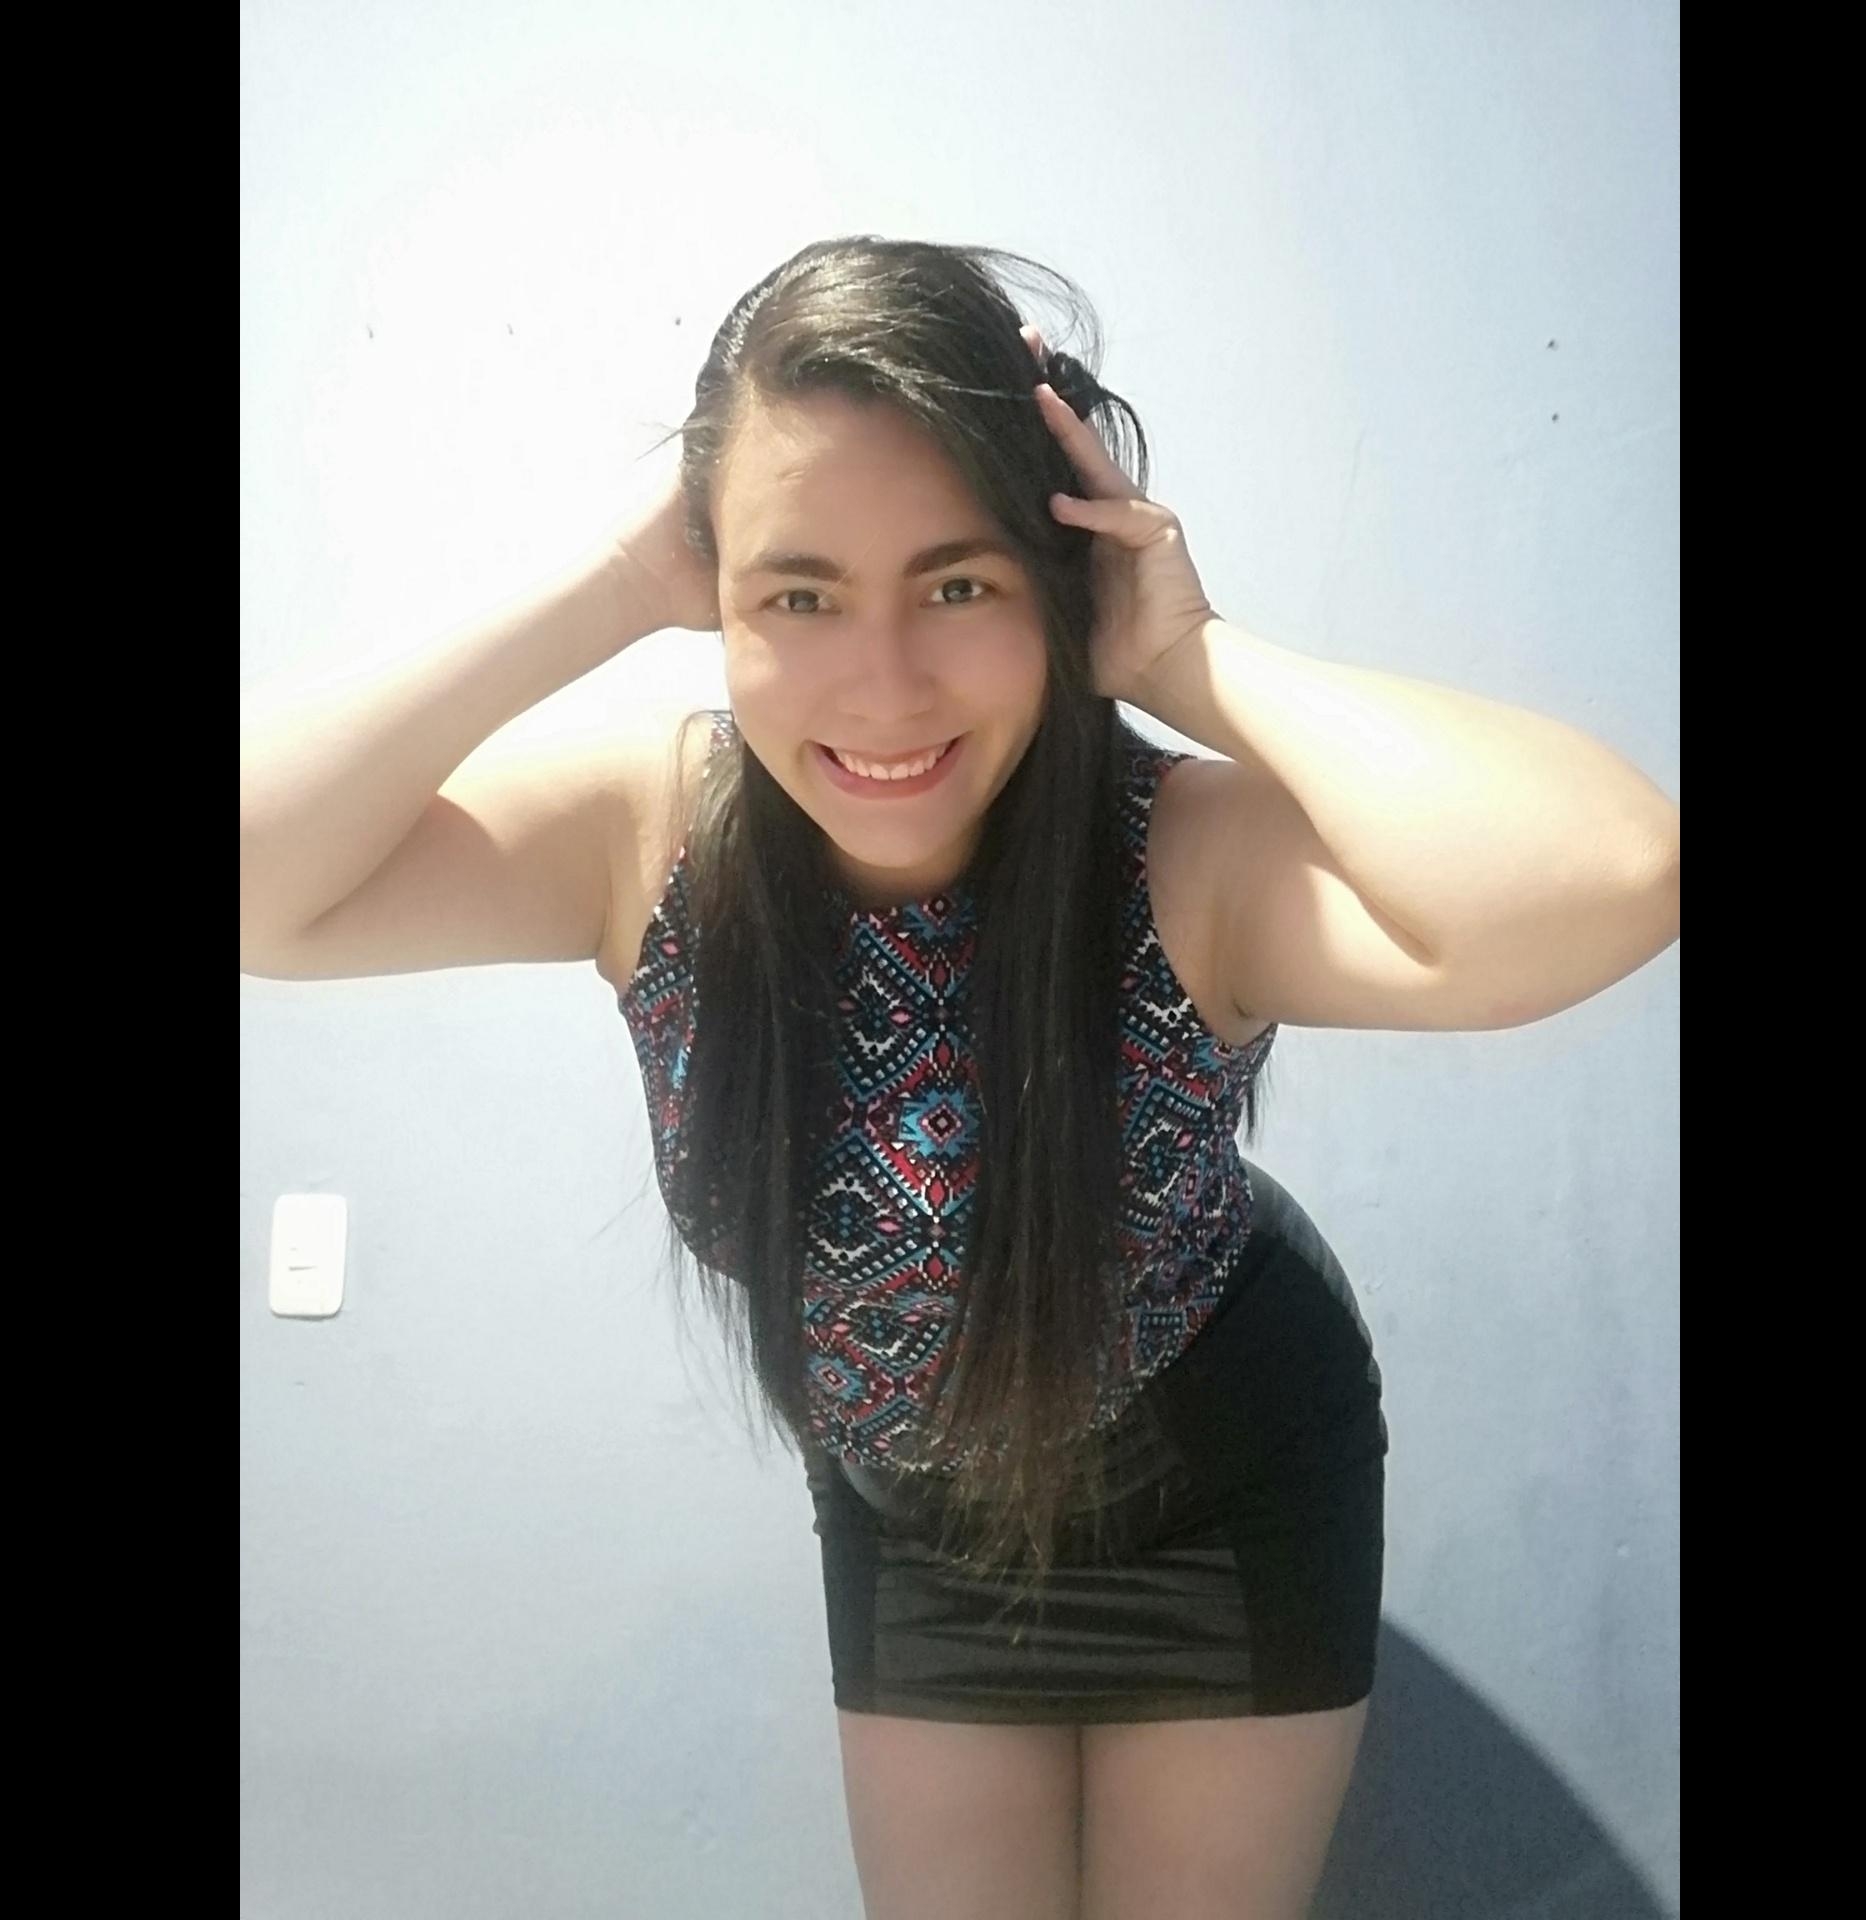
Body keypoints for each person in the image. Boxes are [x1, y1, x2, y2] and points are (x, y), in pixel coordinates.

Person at [240, 235, 1680, 1920]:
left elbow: (1608, 877)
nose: (884, 688)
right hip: (911, 1519)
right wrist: (608, 586)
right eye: (798, 595)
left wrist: (1193, 657)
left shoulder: (1178, 856)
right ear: (715, 597)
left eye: (959, 585)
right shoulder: (655, 838)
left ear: (1058, 584)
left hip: (1225, 1481)